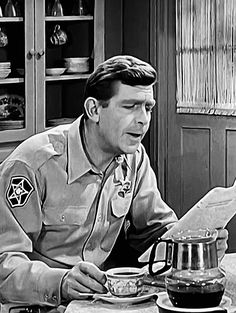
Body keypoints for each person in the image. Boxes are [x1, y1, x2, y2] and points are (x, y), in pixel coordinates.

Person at [0, 55, 228, 307]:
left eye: (148, 107)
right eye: (130, 106)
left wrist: (193, 247)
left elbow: (156, 232)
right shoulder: (32, 165)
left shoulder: (134, 158)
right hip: (38, 305)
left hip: (100, 302)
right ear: (94, 110)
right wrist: (61, 281)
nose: (143, 120)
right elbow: (4, 264)